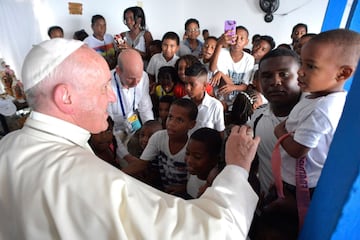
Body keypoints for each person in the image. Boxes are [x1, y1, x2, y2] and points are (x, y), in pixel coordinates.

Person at [0, 38, 260, 239]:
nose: (111, 97)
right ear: (65, 96)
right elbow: (215, 232)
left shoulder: (7, 146)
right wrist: (236, 169)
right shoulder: (86, 177)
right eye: (103, 88)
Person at [274, 29, 360, 204]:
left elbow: (297, 150)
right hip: (290, 177)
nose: (300, 72)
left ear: (342, 73)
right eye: (302, 63)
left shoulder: (324, 108)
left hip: (300, 185)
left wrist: (279, 131)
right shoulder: (315, 96)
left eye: (311, 66)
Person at [247, 48, 303, 240]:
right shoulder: (258, 116)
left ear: (301, 75)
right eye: (267, 76)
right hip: (265, 211)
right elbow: (251, 162)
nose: (275, 82)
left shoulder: (314, 123)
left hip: (300, 218)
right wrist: (253, 193)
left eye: (284, 74)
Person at [123, 98, 197, 196]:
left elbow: (196, 179)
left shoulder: (192, 147)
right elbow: (141, 164)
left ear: (191, 124)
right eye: (170, 117)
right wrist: (115, 175)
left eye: (179, 120)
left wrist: (184, 188)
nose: (171, 123)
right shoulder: (159, 137)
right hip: (163, 190)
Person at [107, 49, 154, 167]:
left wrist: (150, 132)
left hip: (134, 123)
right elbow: (108, 127)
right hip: (115, 131)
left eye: (138, 78)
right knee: (126, 165)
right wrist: (127, 157)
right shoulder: (105, 84)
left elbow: (145, 107)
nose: (136, 83)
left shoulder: (143, 77)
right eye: (130, 78)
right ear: (118, 71)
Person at [210, 25, 255, 112]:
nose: (238, 41)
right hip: (220, 98)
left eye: (242, 39)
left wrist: (233, 87)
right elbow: (212, 69)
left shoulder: (249, 59)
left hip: (237, 100)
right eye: (235, 37)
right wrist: (219, 44)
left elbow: (245, 86)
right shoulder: (223, 53)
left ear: (246, 42)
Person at [184, 62, 225, 136]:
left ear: (204, 85)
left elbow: (220, 133)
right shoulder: (183, 102)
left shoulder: (215, 106)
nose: (187, 88)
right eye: (185, 83)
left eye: (192, 84)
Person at [185, 127, 222, 198]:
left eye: (197, 157)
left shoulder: (214, 188)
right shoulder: (193, 170)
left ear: (214, 160)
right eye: (187, 153)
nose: (189, 160)